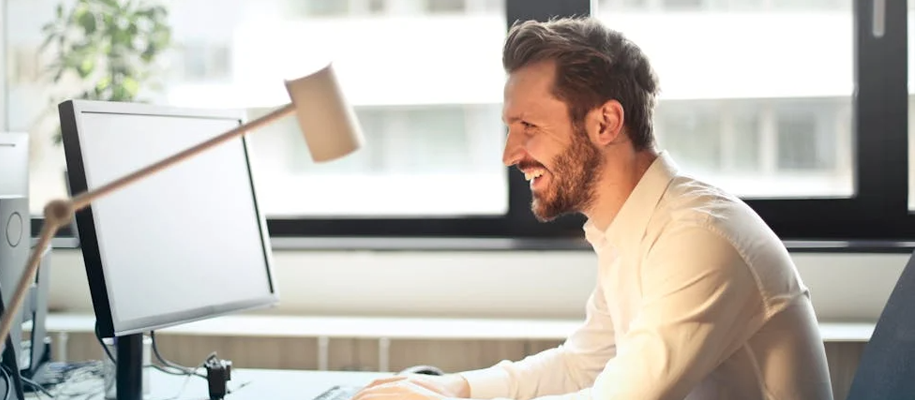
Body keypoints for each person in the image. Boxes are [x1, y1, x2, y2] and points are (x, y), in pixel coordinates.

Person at [350, 15, 834, 400]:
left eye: (529, 127)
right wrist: (455, 387)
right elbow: (583, 365)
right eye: (509, 128)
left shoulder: (698, 238)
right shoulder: (627, 230)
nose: (509, 154)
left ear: (605, 123)